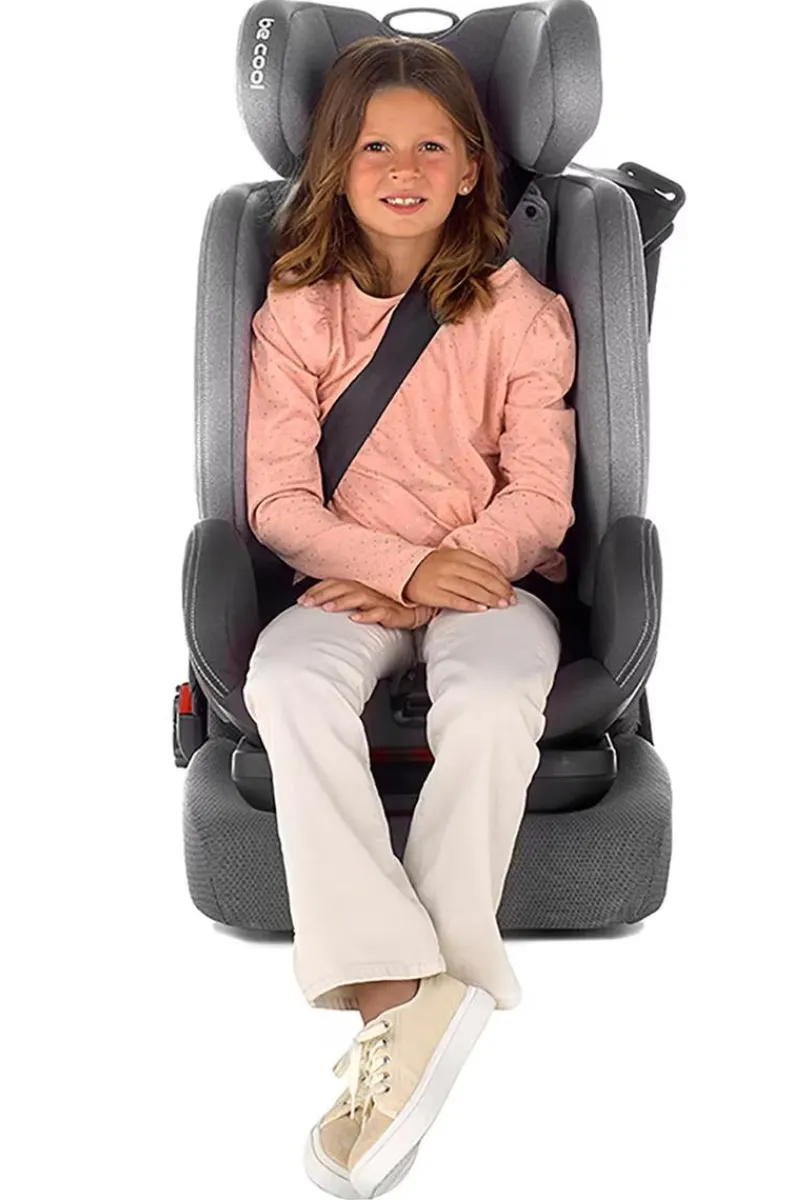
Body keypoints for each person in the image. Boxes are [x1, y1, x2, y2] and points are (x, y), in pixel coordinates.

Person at [240, 34, 577, 1199]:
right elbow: (278, 502)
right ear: (336, 166)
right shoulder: (298, 312)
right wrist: (397, 569)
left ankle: (423, 1003)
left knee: (492, 693)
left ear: (473, 168)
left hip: (491, 583)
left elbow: (541, 496)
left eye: (433, 147)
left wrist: (447, 567)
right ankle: (404, 989)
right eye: (376, 146)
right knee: (287, 682)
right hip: (347, 578)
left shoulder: (526, 314)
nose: (404, 168)